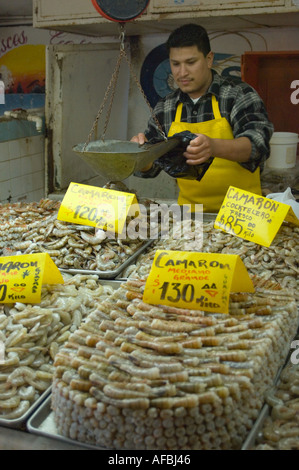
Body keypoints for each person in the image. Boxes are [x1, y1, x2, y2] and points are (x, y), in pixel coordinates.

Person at [131, 23, 274, 212]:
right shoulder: (166, 107)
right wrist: (139, 155)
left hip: (244, 213)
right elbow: (152, 167)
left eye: (191, 63)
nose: (182, 73)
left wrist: (214, 147)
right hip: (192, 215)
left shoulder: (238, 95)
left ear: (209, 59)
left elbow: (258, 145)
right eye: (175, 64)